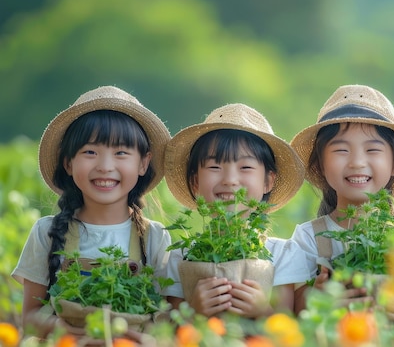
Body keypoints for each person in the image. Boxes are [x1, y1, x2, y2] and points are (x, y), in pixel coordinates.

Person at [11, 86, 180, 339]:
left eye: (121, 152)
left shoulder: (155, 238)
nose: (105, 166)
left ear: (143, 163)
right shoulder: (46, 232)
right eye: (90, 152)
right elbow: (30, 319)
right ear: (68, 162)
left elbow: (168, 318)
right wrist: (68, 330)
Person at [289, 84, 394, 314]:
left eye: (372, 150)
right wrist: (317, 297)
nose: (357, 162)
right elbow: (292, 311)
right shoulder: (308, 238)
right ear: (320, 165)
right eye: (341, 150)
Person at [164, 103, 308, 318]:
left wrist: (263, 311)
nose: (230, 180)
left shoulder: (284, 254)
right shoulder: (181, 257)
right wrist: (194, 312)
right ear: (195, 182)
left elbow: (285, 332)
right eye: (214, 167)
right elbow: (171, 332)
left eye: (246, 167)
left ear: (268, 181)